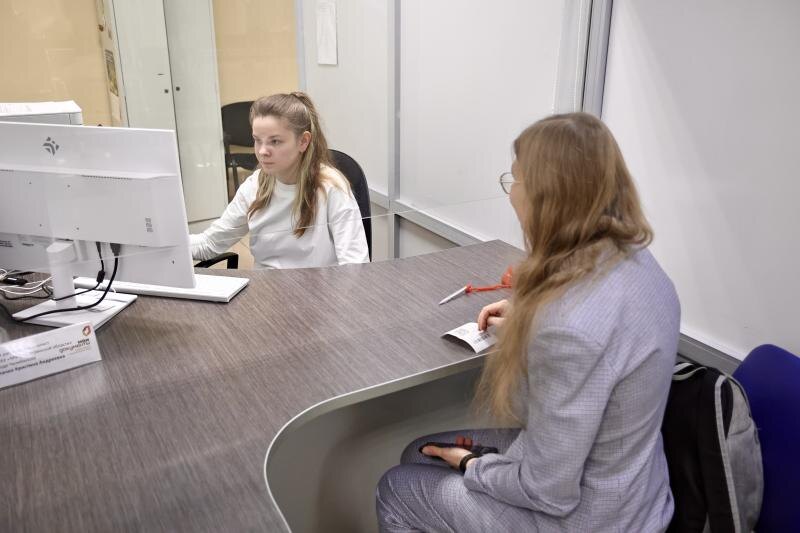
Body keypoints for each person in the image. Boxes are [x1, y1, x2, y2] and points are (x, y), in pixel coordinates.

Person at [376, 112, 680, 532]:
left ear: (547, 197)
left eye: (515, 180)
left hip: (588, 519)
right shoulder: (642, 264)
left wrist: (471, 465)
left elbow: (548, 492)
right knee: (419, 452)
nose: (511, 193)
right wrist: (531, 315)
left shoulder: (567, 329)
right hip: (635, 490)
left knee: (396, 488)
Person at [190, 92, 369, 269]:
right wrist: (173, 244)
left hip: (318, 287)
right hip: (266, 286)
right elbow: (209, 244)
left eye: (274, 141)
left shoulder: (332, 188)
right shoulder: (254, 186)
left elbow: (355, 266)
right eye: (257, 140)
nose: (262, 151)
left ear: (303, 141)